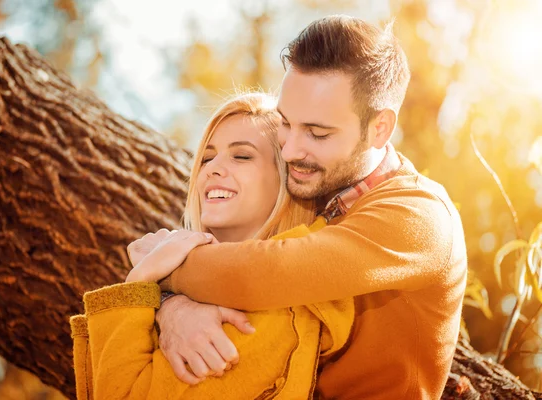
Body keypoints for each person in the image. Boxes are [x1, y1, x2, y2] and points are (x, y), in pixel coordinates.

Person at [152, 15, 468, 399]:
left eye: (317, 133)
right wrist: (172, 307)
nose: (290, 149)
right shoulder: (313, 188)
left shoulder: (417, 214)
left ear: (379, 128)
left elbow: (267, 272)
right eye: (286, 123)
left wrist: (161, 266)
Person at [69, 92, 355, 399]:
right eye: (206, 157)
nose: (212, 169)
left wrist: (141, 279)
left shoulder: (275, 312)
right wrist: (168, 302)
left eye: (242, 156)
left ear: (289, 181)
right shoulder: (203, 298)